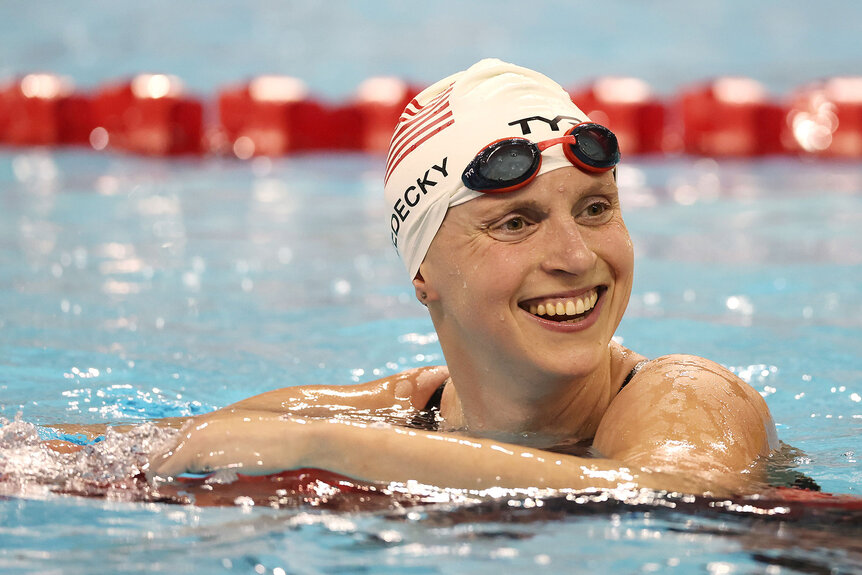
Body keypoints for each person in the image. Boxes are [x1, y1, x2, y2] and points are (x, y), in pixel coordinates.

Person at [74, 59, 781, 495]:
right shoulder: (402, 409)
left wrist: (325, 449)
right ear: (422, 275)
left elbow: (676, 493)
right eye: (516, 222)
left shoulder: (687, 395)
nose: (574, 255)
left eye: (596, 209)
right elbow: (122, 452)